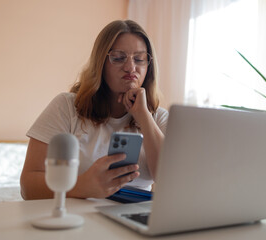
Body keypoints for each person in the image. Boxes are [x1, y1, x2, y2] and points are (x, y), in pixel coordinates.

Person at [20, 20, 169, 200]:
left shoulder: (158, 118)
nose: (131, 67)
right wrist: (80, 186)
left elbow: (171, 181)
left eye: (139, 59)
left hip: (134, 220)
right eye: (118, 57)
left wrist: (144, 117)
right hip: (79, 217)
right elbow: (28, 187)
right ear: (101, 63)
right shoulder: (66, 107)